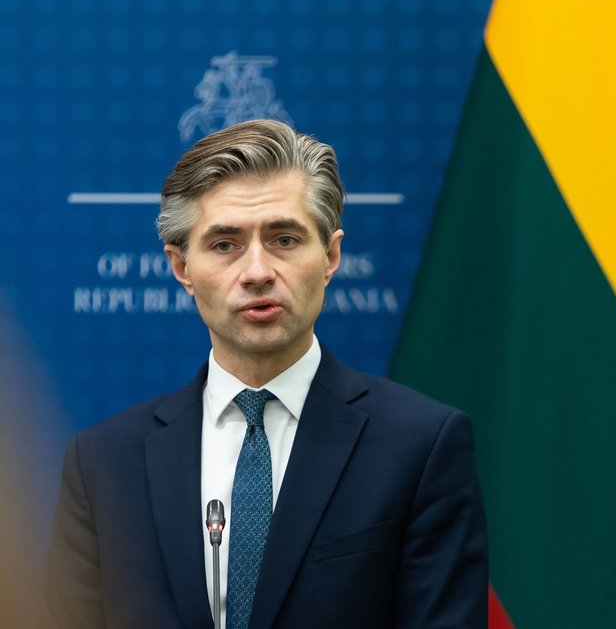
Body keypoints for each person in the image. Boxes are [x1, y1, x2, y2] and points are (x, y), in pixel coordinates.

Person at [42, 119, 488, 628]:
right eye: (224, 244)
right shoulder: (103, 464)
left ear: (331, 256)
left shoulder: (421, 446)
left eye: (284, 239)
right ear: (182, 268)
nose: (257, 272)